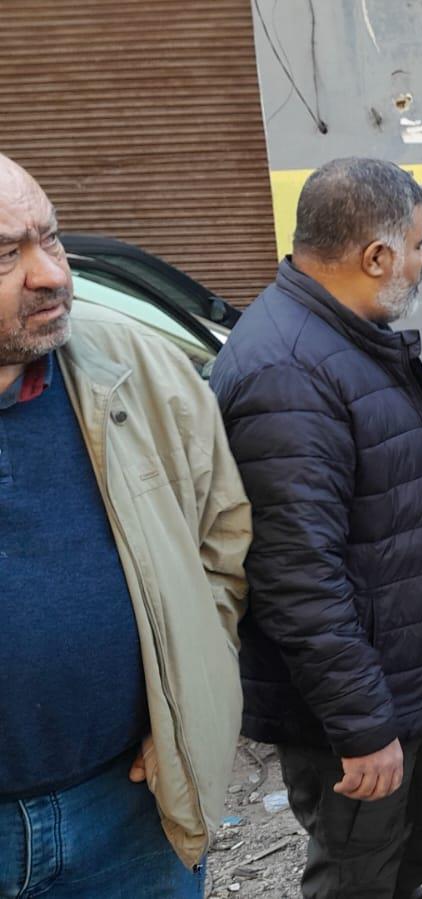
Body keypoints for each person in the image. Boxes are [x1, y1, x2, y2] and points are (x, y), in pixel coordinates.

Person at [211, 157, 422, 899]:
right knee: (360, 879)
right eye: (419, 245)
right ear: (376, 256)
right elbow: (297, 578)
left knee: (402, 865)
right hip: (366, 710)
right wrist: (361, 726)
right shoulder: (287, 371)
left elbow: (359, 476)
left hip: (409, 685)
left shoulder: (343, 335)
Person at [0, 154, 250, 896]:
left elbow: (221, 544)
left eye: (51, 238)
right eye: (7, 255)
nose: (51, 274)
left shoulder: (143, 370)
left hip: (128, 814)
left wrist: (181, 700)